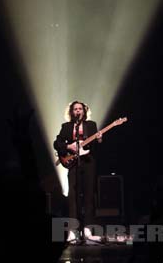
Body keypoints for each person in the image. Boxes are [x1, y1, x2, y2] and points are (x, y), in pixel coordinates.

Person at [53, 101, 102, 241]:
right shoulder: (66, 127)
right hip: (73, 163)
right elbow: (57, 143)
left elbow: (96, 148)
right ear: (71, 112)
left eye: (80, 109)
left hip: (88, 162)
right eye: (75, 109)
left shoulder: (91, 125)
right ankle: (73, 230)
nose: (78, 111)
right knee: (73, 195)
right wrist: (69, 147)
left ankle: (87, 228)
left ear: (84, 111)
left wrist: (99, 140)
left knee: (89, 194)